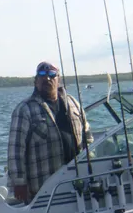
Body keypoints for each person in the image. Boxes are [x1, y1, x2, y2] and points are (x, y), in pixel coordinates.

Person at [7, 61, 92, 204]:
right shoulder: (24, 109)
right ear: (36, 81)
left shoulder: (74, 104)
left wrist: (91, 163)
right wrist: (18, 182)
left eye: (52, 74)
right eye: (42, 74)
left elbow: (88, 138)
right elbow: (15, 150)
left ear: (58, 79)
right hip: (42, 189)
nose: (47, 78)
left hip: (76, 183)